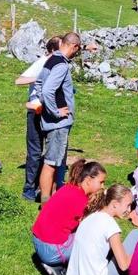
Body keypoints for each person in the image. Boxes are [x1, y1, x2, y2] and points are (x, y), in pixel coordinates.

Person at [31, 159, 106, 275]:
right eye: (101, 182)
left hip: (37, 240)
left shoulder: (69, 188)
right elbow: (88, 227)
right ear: (88, 181)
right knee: (94, 240)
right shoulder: (81, 200)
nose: (102, 186)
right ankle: (55, 264)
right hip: (50, 250)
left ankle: (52, 261)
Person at [66, 184, 138, 275]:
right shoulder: (110, 224)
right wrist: (136, 254)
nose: (129, 210)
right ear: (115, 204)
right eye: (128, 205)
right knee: (136, 234)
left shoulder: (91, 216)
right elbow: (124, 265)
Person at [15, 35, 61, 201]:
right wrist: (40, 77)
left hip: (51, 111)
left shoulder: (58, 63)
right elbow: (19, 80)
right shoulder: (42, 62)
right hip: (36, 110)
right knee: (35, 151)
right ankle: (29, 189)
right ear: (54, 50)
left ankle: (49, 187)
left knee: (52, 151)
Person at [38, 32, 81, 203]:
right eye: (77, 50)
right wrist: (56, 112)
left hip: (52, 122)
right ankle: (46, 203)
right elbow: (48, 89)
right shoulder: (61, 65)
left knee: (56, 160)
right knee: (51, 162)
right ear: (74, 47)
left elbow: (40, 84)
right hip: (57, 124)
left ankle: (55, 196)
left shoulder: (51, 59)